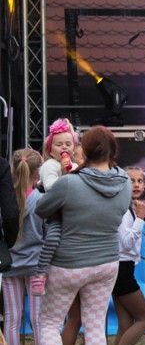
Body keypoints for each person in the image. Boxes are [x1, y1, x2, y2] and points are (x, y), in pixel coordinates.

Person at [36, 126, 132, 345]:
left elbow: (42, 208)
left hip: (69, 264)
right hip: (107, 263)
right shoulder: (125, 182)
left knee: (50, 323)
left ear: (84, 150)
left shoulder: (70, 183)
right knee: (95, 326)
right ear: (113, 151)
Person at [30, 118, 79, 295]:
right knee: (52, 238)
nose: (64, 147)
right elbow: (51, 188)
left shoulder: (75, 166)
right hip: (54, 213)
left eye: (68, 144)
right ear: (50, 150)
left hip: (71, 213)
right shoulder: (49, 166)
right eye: (59, 144)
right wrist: (66, 175)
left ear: (74, 148)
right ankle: (40, 273)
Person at [3, 148, 44, 345]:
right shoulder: (42, 201)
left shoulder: (5, 201)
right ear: (38, 173)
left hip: (10, 265)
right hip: (37, 265)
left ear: (13, 170)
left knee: (12, 318)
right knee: (38, 319)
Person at [112, 166, 145, 345]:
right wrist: (141, 219)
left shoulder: (130, 207)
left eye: (140, 181)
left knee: (125, 324)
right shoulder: (122, 209)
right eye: (131, 181)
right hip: (121, 269)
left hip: (123, 268)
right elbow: (126, 243)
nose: (136, 185)